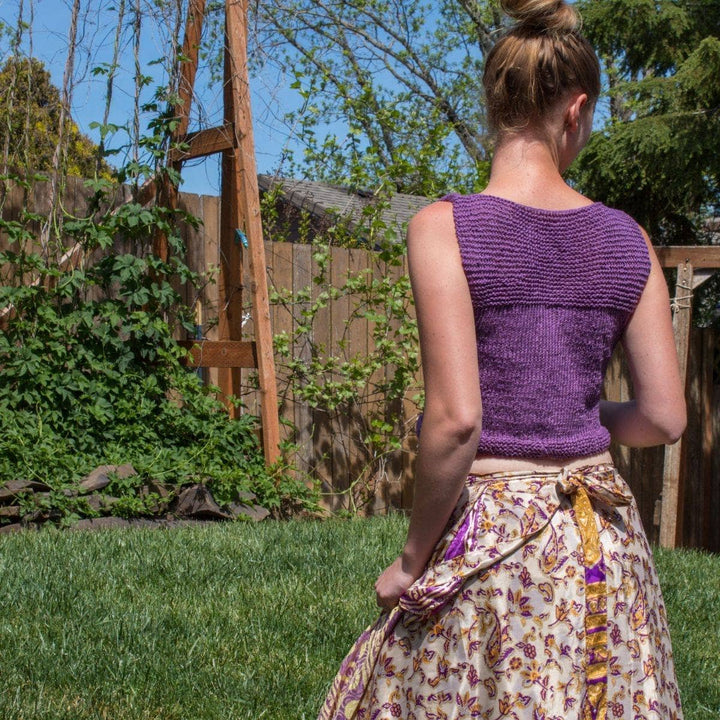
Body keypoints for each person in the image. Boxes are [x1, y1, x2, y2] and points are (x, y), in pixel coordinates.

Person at [318, 0, 687, 717]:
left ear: (494, 102)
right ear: (577, 111)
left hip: (496, 549)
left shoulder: (443, 228)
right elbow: (665, 417)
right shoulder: (627, 240)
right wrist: (586, 416)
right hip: (601, 548)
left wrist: (411, 559)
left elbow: (457, 420)